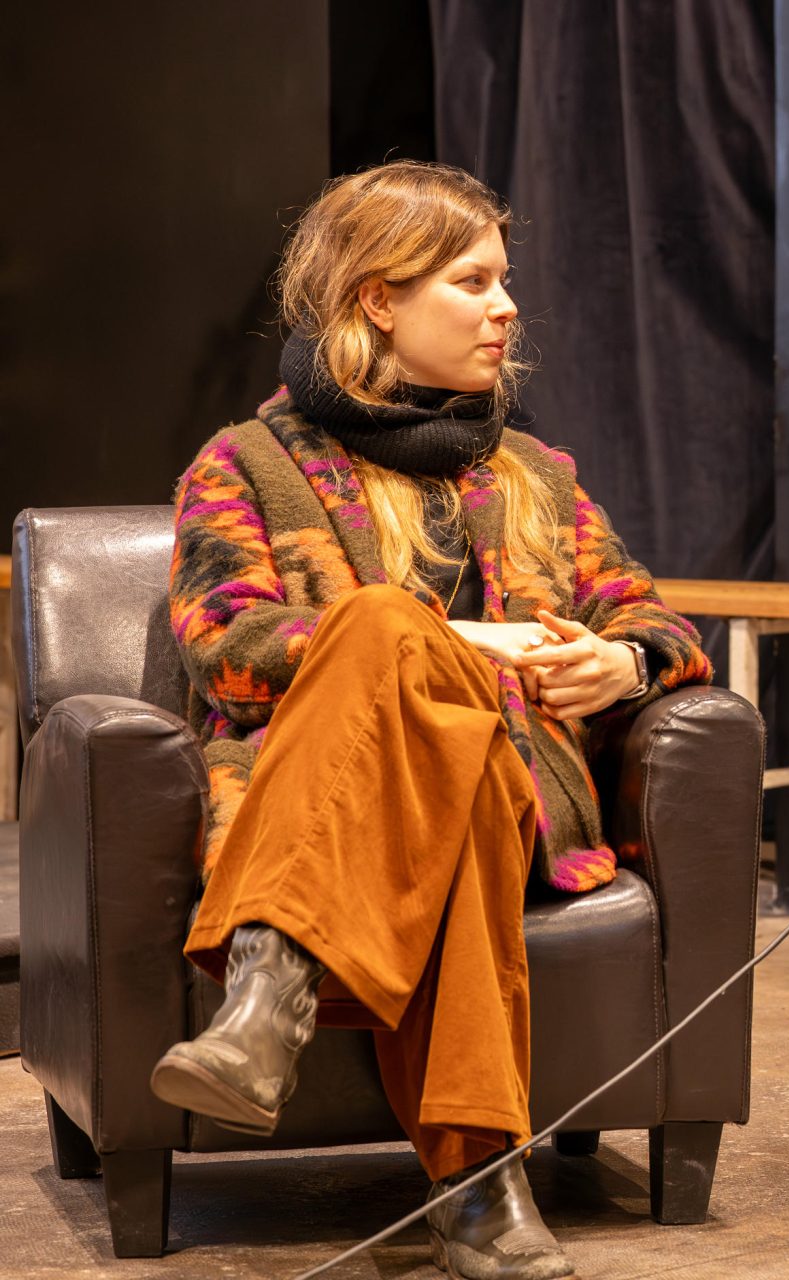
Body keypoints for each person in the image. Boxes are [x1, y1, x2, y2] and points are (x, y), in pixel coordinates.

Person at [149, 160, 712, 1280]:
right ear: (378, 299)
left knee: (408, 658)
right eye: (474, 281)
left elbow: (653, 614)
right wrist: (444, 643)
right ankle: (481, 1188)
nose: (508, 307)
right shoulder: (246, 465)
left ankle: (270, 988)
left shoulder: (536, 473)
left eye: (505, 280)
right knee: (380, 635)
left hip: (524, 779)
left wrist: (621, 661)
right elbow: (226, 645)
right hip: (343, 796)